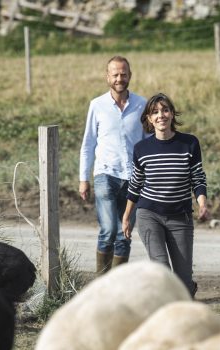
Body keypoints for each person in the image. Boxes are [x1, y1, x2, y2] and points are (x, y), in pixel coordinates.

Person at [122, 93, 208, 297]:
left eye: (165, 110)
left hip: (181, 217)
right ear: (149, 119)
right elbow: (136, 184)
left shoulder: (189, 143)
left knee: (183, 284)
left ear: (172, 114)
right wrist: (127, 216)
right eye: (155, 112)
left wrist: (203, 204)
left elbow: (197, 178)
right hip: (149, 214)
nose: (161, 115)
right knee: (162, 271)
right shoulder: (141, 149)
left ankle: (187, 288)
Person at [79, 56, 146, 275]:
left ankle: (116, 284)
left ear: (130, 75)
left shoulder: (141, 105)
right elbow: (88, 143)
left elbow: (148, 143)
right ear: (107, 77)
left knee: (124, 234)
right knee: (109, 230)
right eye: (115, 74)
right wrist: (83, 178)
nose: (119, 78)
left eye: (123, 74)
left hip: (134, 178)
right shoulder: (97, 105)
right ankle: (101, 281)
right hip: (105, 174)